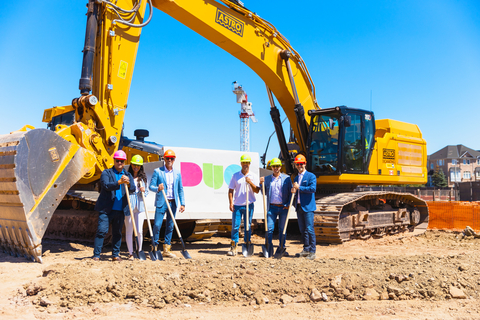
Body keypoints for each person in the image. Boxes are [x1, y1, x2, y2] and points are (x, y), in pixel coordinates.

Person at [93, 150, 135, 262]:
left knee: (117, 233)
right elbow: (106, 185)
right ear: (114, 161)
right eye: (118, 161)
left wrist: (129, 183)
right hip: (106, 209)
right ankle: (96, 255)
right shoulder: (106, 173)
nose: (120, 163)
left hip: (120, 210)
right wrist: (119, 182)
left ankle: (115, 255)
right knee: (102, 231)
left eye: (122, 161)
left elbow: (133, 189)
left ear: (124, 162)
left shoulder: (128, 175)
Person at [149, 149, 185, 258]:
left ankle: (167, 249)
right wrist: (158, 189)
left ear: (174, 160)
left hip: (173, 202)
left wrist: (182, 203)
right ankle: (154, 247)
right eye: (167, 158)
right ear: (164, 159)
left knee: (170, 226)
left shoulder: (177, 173)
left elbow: (180, 189)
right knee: (157, 225)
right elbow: (151, 187)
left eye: (171, 158)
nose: (169, 160)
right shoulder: (158, 171)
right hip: (162, 202)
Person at [227, 154, 260, 256]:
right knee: (235, 226)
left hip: (249, 204)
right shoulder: (235, 176)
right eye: (243, 163)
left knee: (247, 226)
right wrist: (231, 202)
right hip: (237, 205)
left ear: (249, 164)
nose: (245, 165)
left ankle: (247, 243)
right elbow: (231, 190)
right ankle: (234, 246)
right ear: (241, 163)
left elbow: (257, 190)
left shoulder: (253, 176)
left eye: (247, 163)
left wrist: (250, 182)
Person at [259, 157, 292, 257]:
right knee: (269, 229)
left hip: (283, 208)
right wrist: (261, 184)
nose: (275, 168)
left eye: (277, 166)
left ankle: (282, 248)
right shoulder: (267, 179)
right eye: (274, 166)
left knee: (283, 229)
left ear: (280, 167)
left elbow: (291, 193)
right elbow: (263, 191)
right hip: (271, 208)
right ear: (271, 168)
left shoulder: (286, 178)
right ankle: (268, 248)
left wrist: (288, 204)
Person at [292, 154, 317, 260]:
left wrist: (299, 187)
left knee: (310, 229)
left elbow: (312, 188)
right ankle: (306, 248)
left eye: (301, 164)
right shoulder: (296, 177)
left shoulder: (311, 176)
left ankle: (312, 251)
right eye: (298, 164)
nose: (300, 166)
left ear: (305, 164)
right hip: (299, 206)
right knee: (303, 230)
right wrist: (293, 190)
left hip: (308, 207)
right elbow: (296, 191)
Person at [124, 155, 148, 260]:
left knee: (139, 230)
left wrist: (144, 190)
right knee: (129, 230)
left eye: (138, 165)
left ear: (141, 166)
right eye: (134, 164)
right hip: (129, 206)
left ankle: (139, 250)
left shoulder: (143, 178)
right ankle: (130, 253)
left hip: (140, 207)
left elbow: (146, 193)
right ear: (131, 164)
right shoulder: (126, 176)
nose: (136, 167)